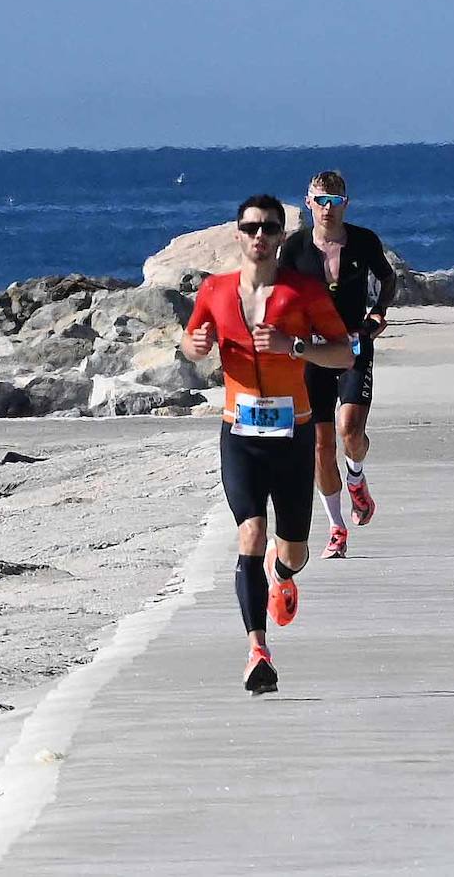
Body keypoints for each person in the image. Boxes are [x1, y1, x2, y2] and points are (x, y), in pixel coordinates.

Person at [181, 194, 354, 694]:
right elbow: (191, 342)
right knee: (250, 532)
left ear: (281, 237)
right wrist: (191, 347)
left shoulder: (303, 293)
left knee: (293, 548)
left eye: (269, 229)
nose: (260, 237)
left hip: (293, 433)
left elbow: (343, 354)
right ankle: (257, 649)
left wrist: (293, 347)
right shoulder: (214, 290)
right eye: (251, 228)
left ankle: (283, 575)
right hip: (239, 434)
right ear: (237, 234)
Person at [278, 171, 398, 559]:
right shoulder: (295, 248)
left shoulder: (364, 241)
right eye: (321, 201)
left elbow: (386, 278)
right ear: (308, 202)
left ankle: (357, 479)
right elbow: (280, 297)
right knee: (319, 446)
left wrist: (377, 314)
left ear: (346, 203)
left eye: (335, 202)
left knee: (350, 432)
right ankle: (336, 527)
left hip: (353, 347)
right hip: (312, 353)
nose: (328, 209)